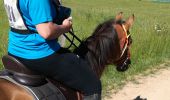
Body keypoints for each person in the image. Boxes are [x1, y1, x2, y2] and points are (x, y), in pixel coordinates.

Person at [3, 0, 101, 100]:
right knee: (92, 84)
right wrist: (65, 27)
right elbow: (46, 32)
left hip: (15, 50)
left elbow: (28, 15)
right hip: (39, 53)